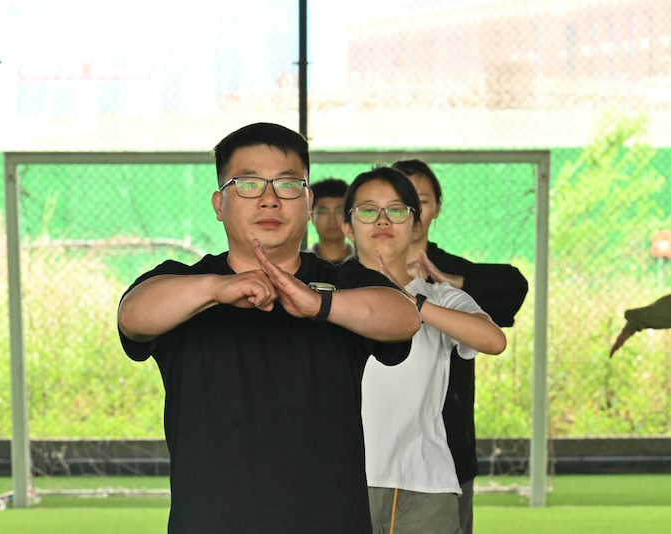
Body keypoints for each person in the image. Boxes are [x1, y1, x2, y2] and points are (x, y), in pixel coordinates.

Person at [117, 123, 420, 533]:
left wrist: (318, 303)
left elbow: (404, 318)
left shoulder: (341, 282)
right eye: (248, 184)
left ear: (308, 202)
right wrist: (217, 289)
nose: (269, 199)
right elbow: (132, 316)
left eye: (287, 185)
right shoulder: (185, 284)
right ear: (219, 203)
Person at [341, 166, 506, 534]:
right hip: (339, 480)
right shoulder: (324, 294)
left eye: (397, 210)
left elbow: (493, 340)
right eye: (367, 210)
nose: (382, 219)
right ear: (347, 227)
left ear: (416, 227)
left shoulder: (439, 296)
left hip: (424, 484)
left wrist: (412, 301)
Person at [392, 159, 528, 534]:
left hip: (446, 446)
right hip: (369, 453)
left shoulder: (450, 277)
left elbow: (512, 288)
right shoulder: (354, 274)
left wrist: (452, 283)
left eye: (421, 200)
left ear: (436, 207)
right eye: (399, 201)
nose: (411, 211)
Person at [306, 178, 354, 262]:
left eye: (339, 211)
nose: (332, 220)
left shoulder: (364, 263)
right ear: (312, 216)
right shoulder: (301, 263)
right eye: (323, 212)